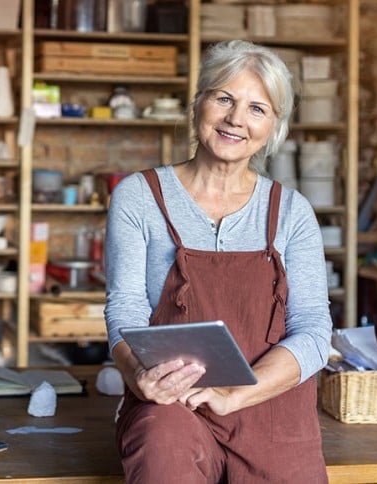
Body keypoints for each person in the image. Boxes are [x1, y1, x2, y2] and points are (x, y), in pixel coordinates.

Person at [104, 40, 333, 483]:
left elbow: (314, 330)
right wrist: (138, 376)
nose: (235, 119)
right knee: (161, 450)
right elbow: (125, 308)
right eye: (223, 98)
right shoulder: (139, 196)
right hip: (174, 403)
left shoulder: (291, 211)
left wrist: (237, 393)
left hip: (270, 405)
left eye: (257, 108)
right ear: (198, 105)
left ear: (273, 127)